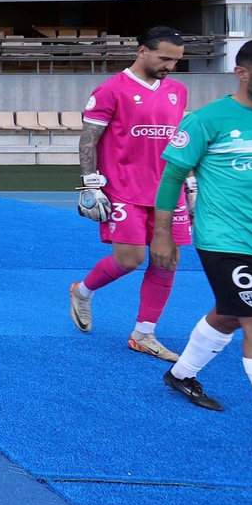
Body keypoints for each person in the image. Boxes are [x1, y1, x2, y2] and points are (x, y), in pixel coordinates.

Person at [152, 38, 252, 461]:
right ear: (242, 73)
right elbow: (172, 178)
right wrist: (163, 235)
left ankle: (180, 374)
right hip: (225, 241)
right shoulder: (206, 121)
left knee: (231, 312)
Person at [69, 27, 190, 360]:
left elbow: (176, 142)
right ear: (141, 51)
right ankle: (82, 291)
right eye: (164, 58)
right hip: (123, 190)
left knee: (167, 259)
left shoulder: (178, 91)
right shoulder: (112, 89)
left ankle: (144, 333)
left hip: (168, 191)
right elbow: (88, 138)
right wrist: (90, 181)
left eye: (176, 60)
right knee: (130, 260)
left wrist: (189, 181)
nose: (170, 65)